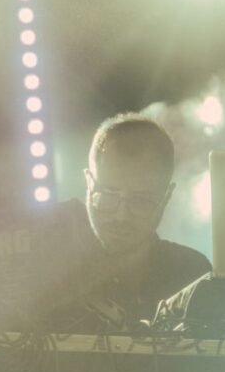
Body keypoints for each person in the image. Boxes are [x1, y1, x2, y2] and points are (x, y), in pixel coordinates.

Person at [46, 113, 211, 332]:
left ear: (166, 197)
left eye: (141, 201)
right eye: (108, 195)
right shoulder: (51, 270)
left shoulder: (191, 273)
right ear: (88, 183)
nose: (121, 216)